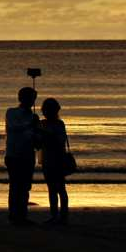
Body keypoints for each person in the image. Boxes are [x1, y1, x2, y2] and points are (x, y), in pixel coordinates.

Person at [35, 97, 72, 226]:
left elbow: (60, 141)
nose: (45, 112)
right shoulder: (41, 123)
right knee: (52, 188)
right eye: (44, 110)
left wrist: (43, 133)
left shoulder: (59, 124)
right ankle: (54, 215)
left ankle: (63, 216)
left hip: (58, 160)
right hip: (46, 160)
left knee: (60, 188)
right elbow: (38, 143)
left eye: (47, 110)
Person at [4, 86, 39, 226]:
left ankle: (22, 216)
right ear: (20, 98)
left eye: (32, 99)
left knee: (25, 187)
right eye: (29, 98)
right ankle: (14, 216)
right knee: (15, 187)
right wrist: (31, 123)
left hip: (28, 156)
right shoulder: (12, 112)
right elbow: (14, 127)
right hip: (14, 155)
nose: (31, 101)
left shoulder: (32, 117)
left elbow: (34, 138)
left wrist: (37, 132)